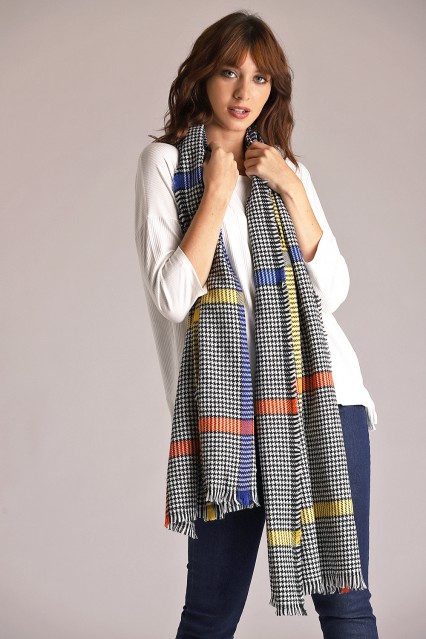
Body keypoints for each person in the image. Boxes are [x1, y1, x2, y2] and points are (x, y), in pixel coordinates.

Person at [135, 10, 380, 639]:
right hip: (227, 418)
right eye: (229, 72)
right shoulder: (165, 164)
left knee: (346, 605)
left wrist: (292, 189)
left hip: (322, 399)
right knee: (210, 615)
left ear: (275, 89)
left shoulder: (284, 169)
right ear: (201, 76)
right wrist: (217, 191)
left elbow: (333, 291)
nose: (245, 92)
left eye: (261, 78)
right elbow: (172, 297)